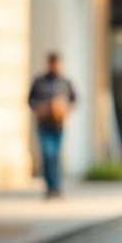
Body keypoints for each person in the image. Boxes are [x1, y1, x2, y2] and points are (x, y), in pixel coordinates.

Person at [28, 52, 78, 199]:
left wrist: (64, 109)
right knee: (47, 154)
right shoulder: (39, 82)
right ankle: (49, 187)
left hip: (58, 125)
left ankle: (56, 187)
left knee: (55, 156)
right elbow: (31, 101)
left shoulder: (65, 82)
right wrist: (41, 108)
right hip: (44, 124)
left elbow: (73, 100)